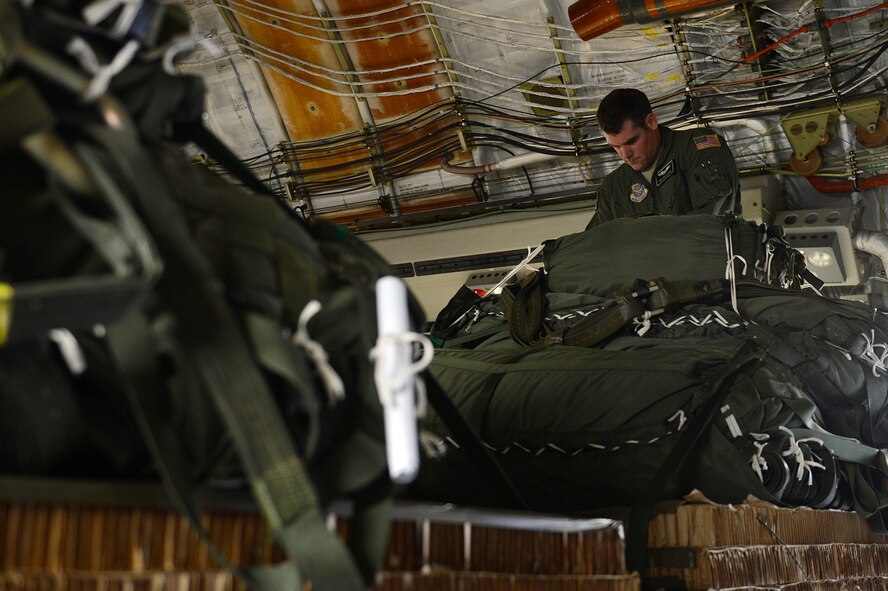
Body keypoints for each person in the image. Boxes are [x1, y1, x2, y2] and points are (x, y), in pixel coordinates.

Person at [586, 88, 740, 229]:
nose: (625, 155)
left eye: (631, 142)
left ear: (651, 122)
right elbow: (594, 244)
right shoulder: (613, 188)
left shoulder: (697, 149)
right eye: (616, 147)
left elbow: (710, 224)